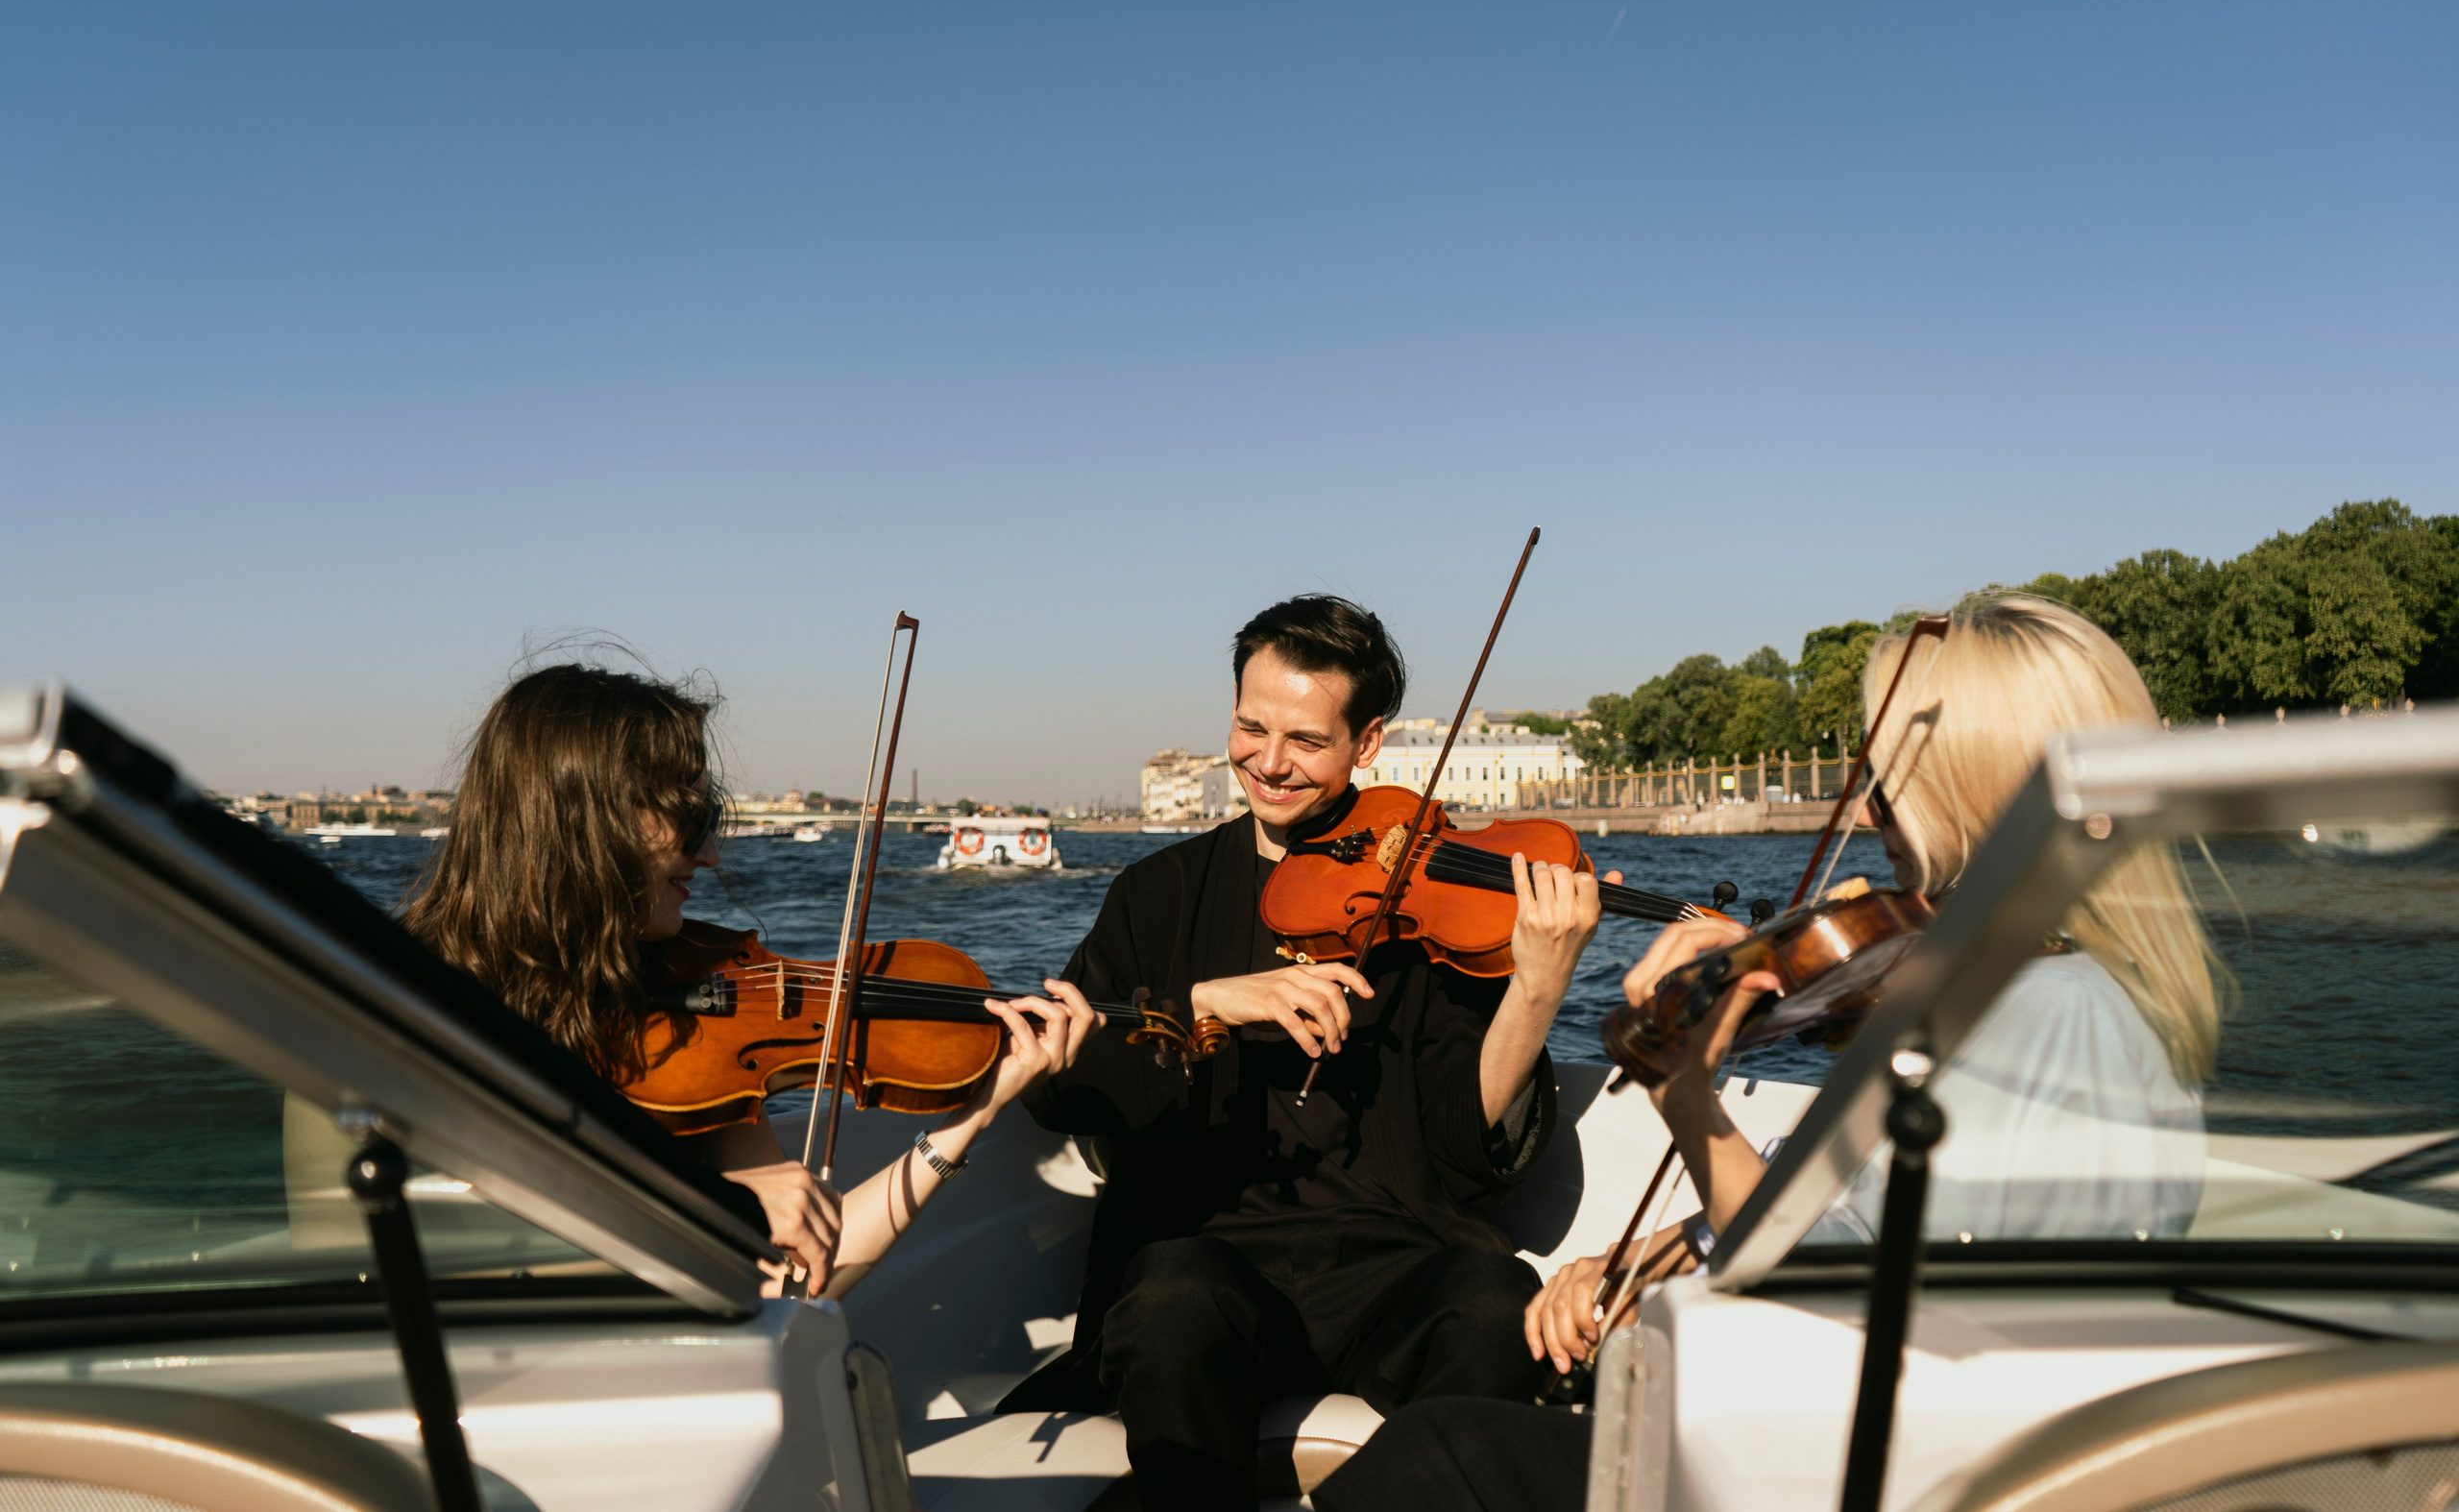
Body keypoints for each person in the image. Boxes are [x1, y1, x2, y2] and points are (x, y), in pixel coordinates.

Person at [1313, 592, 2226, 1512]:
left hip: (1886, 1469)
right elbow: (1848, 1218)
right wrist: (1642, 1258)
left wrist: (1687, 1098)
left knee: (1439, 1455)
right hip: (1866, 1431)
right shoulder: (2032, 989)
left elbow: (1823, 1301)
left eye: (1889, 785)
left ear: (1977, 793)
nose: (1869, 812)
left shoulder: (2052, 1018)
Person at [1003, 595, 1607, 1512]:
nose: (1270, 761)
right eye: (1252, 727)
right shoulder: (1157, 893)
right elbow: (1060, 1088)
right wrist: (1203, 1004)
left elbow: (1463, 1151)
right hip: (1204, 1251)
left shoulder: (1429, 899)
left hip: (1390, 1256)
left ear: (1368, 743)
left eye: (1308, 740)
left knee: (1493, 1302)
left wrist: (1537, 986)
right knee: (1167, 1300)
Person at [400, 661, 1102, 1297]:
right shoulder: (414, 1004)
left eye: (710, 819)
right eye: (690, 819)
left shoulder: (697, 1020)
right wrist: (708, 1207)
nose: (709, 853)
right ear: (584, 820)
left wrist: (976, 1111)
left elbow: (799, 1279)